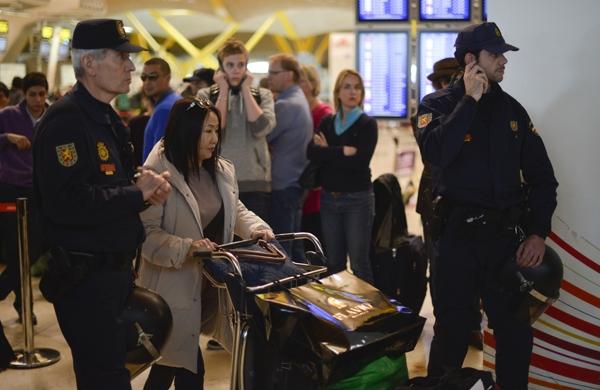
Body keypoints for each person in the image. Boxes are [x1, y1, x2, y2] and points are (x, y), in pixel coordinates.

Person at [415, 22, 558, 389]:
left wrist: (538, 233)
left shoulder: (513, 112)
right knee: (452, 335)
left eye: (504, 54)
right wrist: (469, 100)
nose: (503, 61)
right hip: (456, 240)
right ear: (470, 60)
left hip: (504, 242)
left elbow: (543, 179)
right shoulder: (437, 106)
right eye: (495, 54)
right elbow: (438, 154)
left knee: (515, 333)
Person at [33, 19, 171, 389]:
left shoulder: (107, 119)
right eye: (121, 57)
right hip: (84, 281)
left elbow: (112, 190)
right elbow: (67, 203)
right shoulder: (66, 122)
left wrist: (144, 191)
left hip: (113, 274)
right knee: (104, 379)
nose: (131, 67)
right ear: (90, 65)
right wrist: (136, 193)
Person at [138, 97, 274, 389]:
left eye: (217, 131)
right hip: (171, 285)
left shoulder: (220, 169)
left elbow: (235, 209)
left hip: (208, 284)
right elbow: (147, 235)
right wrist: (187, 247)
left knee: (173, 363)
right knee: (181, 365)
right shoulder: (157, 174)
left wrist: (256, 229)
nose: (214, 139)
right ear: (187, 132)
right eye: (207, 131)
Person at [306, 69, 378, 283]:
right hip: (329, 199)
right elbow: (312, 153)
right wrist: (340, 151)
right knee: (334, 264)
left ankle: (369, 315)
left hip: (358, 199)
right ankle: (339, 315)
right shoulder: (328, 122)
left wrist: (327, 151)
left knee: (359, 263)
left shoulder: (367, 124)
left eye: (357, 87)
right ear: (338, 92)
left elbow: (359, 163)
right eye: (347, 87)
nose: (352, 91)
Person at [198, 39, 275, 223]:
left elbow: (261, 129)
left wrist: (247, 91)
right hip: (217, 180)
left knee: (257, 242)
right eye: (230, 65)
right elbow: (216, 130)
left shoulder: (263, 95)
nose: (236, 70)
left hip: (255, 183)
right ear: (221, 68)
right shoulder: (205, 95)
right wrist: (223, 92)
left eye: (241, 64)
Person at [0, 71, 49, 324]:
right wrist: (7, 138)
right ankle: (24, 305)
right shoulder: (8, 116)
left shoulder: (53, 117)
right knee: (14, 247)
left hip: (39, 190)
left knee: (38, 242)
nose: (38, 100)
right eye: (33, 94)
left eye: (42, 94)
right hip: (10, 189)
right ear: (24, 94)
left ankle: (4, 285)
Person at [267, 54, 312, 256]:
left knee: (282, 252)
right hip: (293, 184)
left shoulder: (285, 105)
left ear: (288, 75)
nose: (269, 77)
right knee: (294, 249)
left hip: (282, 186)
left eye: (273, 73)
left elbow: (258, 136)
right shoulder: (298, 99)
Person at [298, 65, 332, 250]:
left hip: (315, 188)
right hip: (301, 182)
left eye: (302, 81)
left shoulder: (323, 113)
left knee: (316, 244)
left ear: (312, 84)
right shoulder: (299, 111)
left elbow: (323, 153)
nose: (299, 86)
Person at [142, 57, 181, 160]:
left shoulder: (165, 108)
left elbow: (159, 157)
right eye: (144, 77)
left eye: (153, 77)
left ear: (167, 78)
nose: (147, 82)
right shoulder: (174, 102)